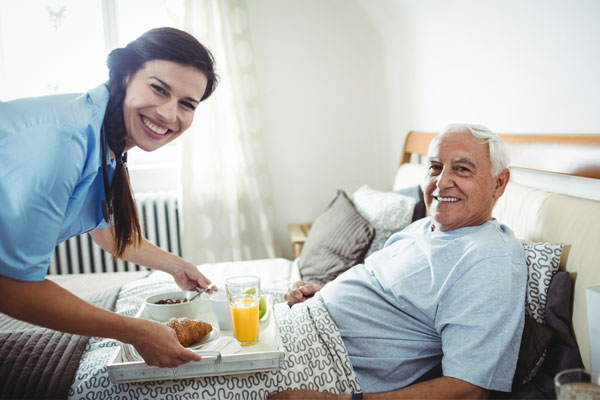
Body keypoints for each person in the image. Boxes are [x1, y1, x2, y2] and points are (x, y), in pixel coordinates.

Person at [0, 27, 219, 368]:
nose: (168, 114)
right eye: (159, 89)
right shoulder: (65, 140)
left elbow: (106, 229)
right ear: (125, 75)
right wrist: (134, 331)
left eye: (186, 104)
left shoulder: (108, 140)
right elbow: (12, 287)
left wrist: (176, 266)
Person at [271, 124, 527, 399]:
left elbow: (469, 389)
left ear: (499, 183)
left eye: (462, 169)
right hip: (300, 321)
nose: (441, 182)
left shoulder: (487, 259)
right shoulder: (425, 227)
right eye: (435, 167)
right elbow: (387, 297)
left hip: (321, 362)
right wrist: (323, 295)